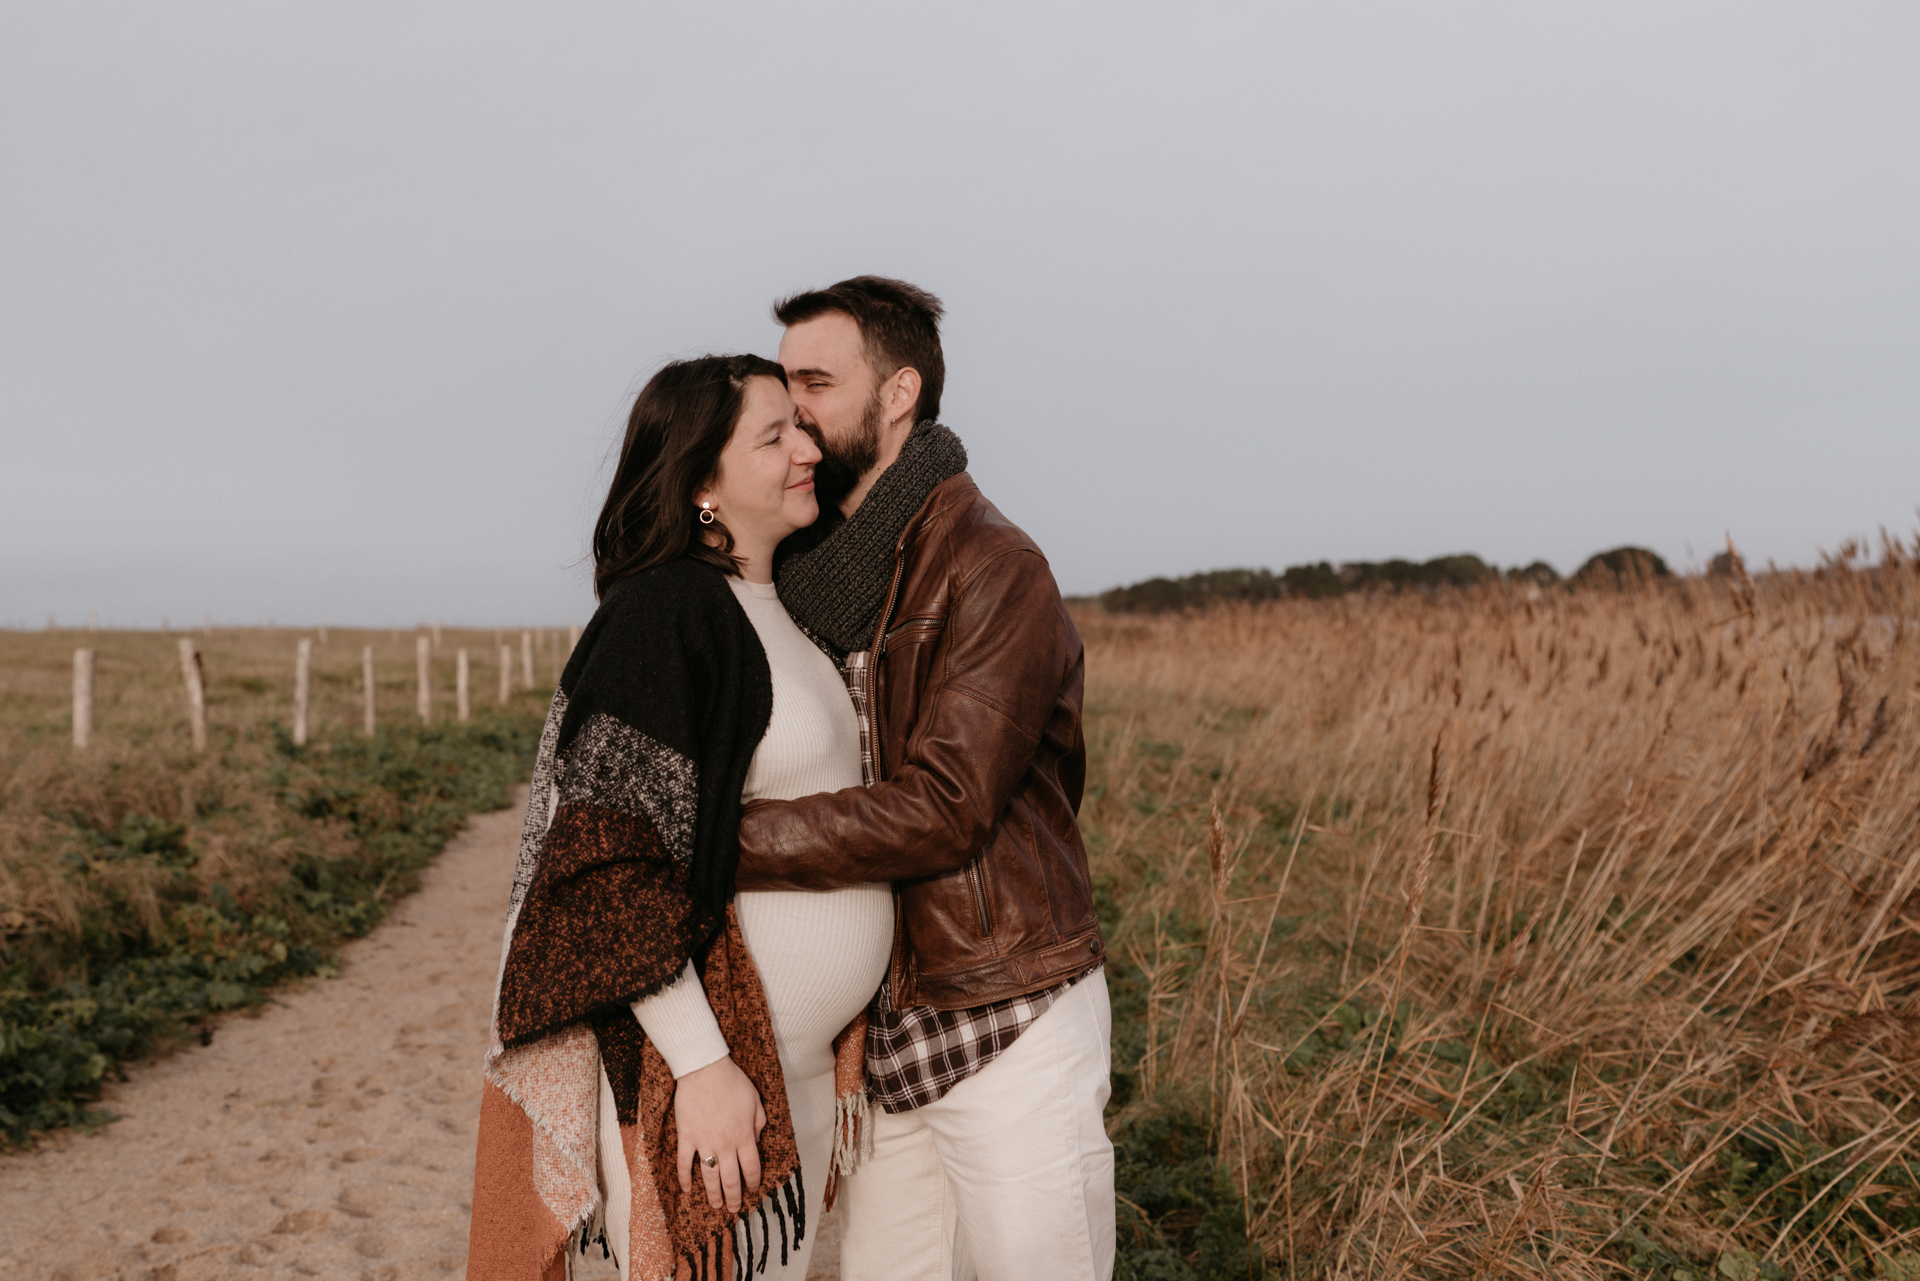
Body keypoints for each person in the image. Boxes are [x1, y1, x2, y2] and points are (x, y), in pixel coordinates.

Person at [467, 353, 887, 1281]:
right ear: (703, 482)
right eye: (774, 435)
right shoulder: (666, 610)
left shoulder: (788, 607)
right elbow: (608, 862)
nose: (805, 448)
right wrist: (700, 1063)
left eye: (803, 427)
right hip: (715, 1076)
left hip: (797, 1070)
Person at [737, 277, 1116, 1280]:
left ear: (898, 393)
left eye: (815, 381)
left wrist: (720, 843)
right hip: (883, 1028)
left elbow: (947, 809)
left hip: (1003, 1012)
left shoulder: (993, 565)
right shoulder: (812, 573)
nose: (792, 409)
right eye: (782, 383)